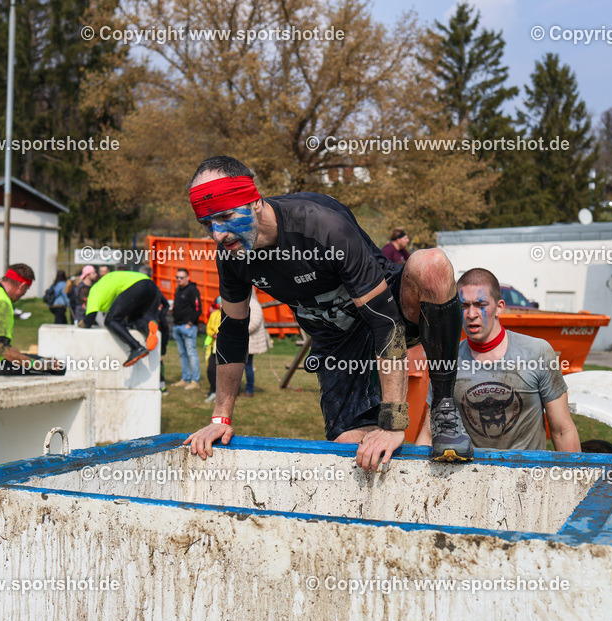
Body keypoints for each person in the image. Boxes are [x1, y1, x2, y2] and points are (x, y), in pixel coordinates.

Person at [182, 155, 470, 469]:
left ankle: (444, 407)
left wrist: (393, 422)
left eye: (225, 217)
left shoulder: (321, 226)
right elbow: (232, 332)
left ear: (253, 202)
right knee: (349, 454)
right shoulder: (231, 256)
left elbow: (385, 324)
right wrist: (220, 417)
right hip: (337, 341)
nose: (218, 234)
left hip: (389, 308)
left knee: (431, 265)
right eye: (207, 224)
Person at [416, 268, 580, 452]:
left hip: (527, 475)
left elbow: (562, 430)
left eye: (480, 304)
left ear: (499, 307)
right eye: (464, 306)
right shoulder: (447, 361)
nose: (471, 314)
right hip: (470, 476)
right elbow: (431, 432)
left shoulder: (537, 353)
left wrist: (573, 478)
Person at [0, 264, 64, 375]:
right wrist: (38, 365)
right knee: (57, 367)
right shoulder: (2, 304)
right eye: (26, 289)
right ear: (22, 286)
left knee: (45, 361)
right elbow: (3, 349)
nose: (24, 294)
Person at [81, 270, 161, 367]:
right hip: (151, 286)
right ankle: (148, 329)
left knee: (111, 321)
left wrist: (81, 323)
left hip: (135, 285)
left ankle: (136, 347)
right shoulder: (103, 286)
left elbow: (89, 320)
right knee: (133, 319)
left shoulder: (93, 292)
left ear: (85, 299)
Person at [171, 268, 202, 390]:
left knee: (191, 354)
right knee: (182, 354)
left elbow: (198, 309)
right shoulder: (178, 290)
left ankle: (195, 381)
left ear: (188, 278)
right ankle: (185, 378)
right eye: (177, 277)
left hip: (188, 327)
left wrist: (190, 323)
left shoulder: (193, 290)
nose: (179, 280)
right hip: (177, 326)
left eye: (181, 277)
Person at [242, 295, 271, 396]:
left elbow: (254, 323)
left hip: (250, 341)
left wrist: (240, 330)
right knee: (238, 366)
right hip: (243, 340)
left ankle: (250, 389)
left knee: (247, 366)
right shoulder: (247, 303)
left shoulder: (254, 305)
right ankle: (237, 389)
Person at [204, 297, 223, 403]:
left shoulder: (229, 315)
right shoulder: (213, 314)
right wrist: (213, 334)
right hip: (213, 347)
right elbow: (209, 328)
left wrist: (220, 335)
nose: (221, 305)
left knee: (223, 372)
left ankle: (221, 394)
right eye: (220, 303)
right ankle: (213, 391)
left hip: (224, 348)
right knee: (211, 370)